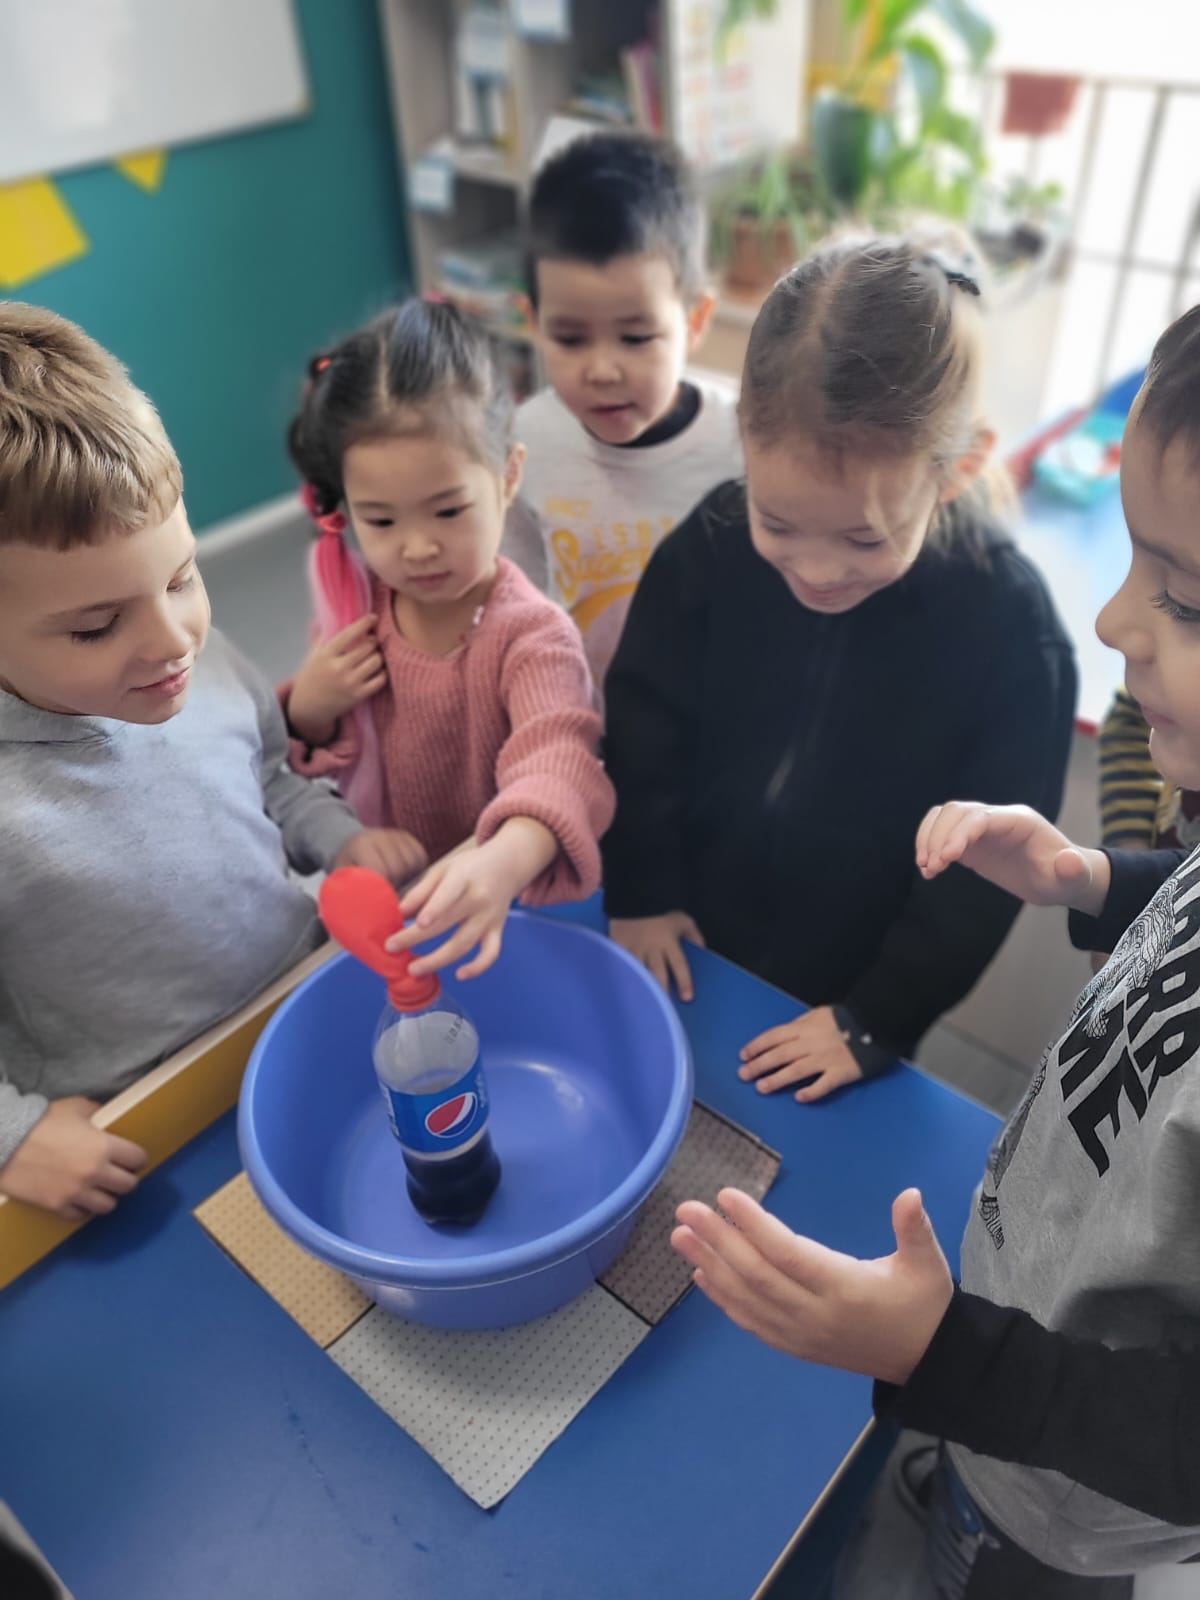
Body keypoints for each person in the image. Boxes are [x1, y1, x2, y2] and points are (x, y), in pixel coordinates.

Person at [671, 305, 1200, 1593]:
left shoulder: (1004, 631)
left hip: (1072, 1505)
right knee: (966, 1488)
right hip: (1006, 1344)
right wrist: (1093, 881)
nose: (1115, 620)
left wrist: (946, 1356)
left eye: (1183, 597)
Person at [603, 227, 1076, 1097]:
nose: (817, 571)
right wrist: (640, 889)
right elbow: (642, 729)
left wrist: (876, 1017)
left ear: (958, 469)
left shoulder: (1013, 635)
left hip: (848, 997)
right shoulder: (709, 547)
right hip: (684, 935)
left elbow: (981, 877)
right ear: (745, 437)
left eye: (865, 537)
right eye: (778, 523)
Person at [0, 303, 418, 1219]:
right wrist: (15, 1135)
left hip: (304, 1006)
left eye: (182, 576)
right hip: (145, 1121)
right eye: (96, 626)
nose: (171, 640)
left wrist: (340, 838)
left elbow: (269, 777)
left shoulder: (194, 659)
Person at [282, 296, 614, 981]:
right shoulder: (354, 607)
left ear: (508, 476)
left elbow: (559, 759)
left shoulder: (532, 635)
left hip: (514, 902)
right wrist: (308, 710)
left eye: (448, 510)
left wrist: (501, 859)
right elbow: (294, 766)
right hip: (405, 905)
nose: (418, 547)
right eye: (381, 521)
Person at [508, 130, 742, 689]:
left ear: (695, 320)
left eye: (636, 338)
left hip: (710, 714)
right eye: (570, 339)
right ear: (533, 323)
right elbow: (515, 603)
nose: (602, 370)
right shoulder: (524, 443)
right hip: (579, 719)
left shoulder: (744, 440)